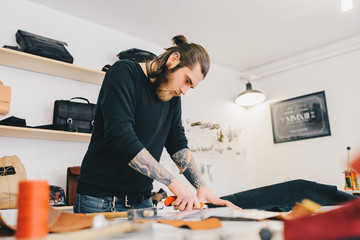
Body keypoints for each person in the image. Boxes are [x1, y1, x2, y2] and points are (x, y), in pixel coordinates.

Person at [74, 35, 237, 213]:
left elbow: (176, 141)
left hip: (142, 201)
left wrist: (201, 187)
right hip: (100, 200)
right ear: (173, 60)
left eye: (191, 87)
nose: (184, 91)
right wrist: (174, 184)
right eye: (187, 80)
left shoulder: (172, 95)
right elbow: (120, 136)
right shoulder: (124, 72)